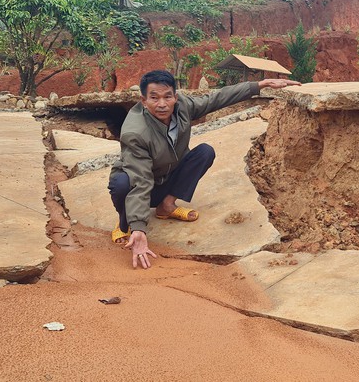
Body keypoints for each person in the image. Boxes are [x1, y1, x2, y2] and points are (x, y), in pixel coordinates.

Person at [108, 70, 301, 269]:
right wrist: (139, 228)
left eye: (167, 97)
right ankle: (125, 223)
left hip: (167, 177)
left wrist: (259, 85)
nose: (162, 104)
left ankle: (166, 205)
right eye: (154, 98)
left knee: (204, 152)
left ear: (175, 97)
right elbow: (141, 180)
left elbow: (216, 98)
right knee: (121, 183)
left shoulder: (182, 107)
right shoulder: (135, 132)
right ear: (143, 101)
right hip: (140, 183)